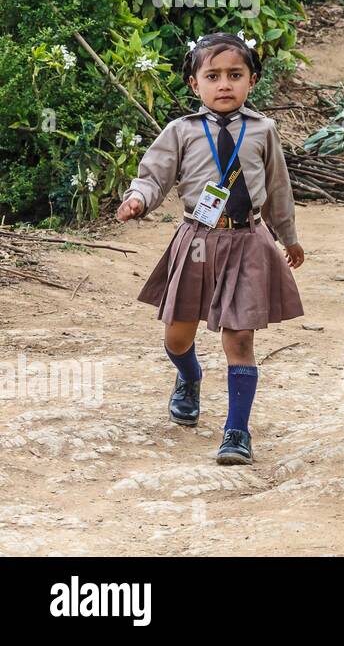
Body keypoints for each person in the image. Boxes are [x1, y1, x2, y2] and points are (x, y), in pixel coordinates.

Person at [117, 32, 304, 465]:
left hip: (248, 242)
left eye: (235, 75)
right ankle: (190, 376)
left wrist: (288, 237)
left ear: (252, 80)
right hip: (196, 241)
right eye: (213, 75)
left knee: (239, 339)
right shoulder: (180, 131)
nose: (224, 84)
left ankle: (236, 431)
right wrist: (138, 199)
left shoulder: (263, 130)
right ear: (193, 83)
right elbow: (153, 175)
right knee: (177, 336)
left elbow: (278, 189)